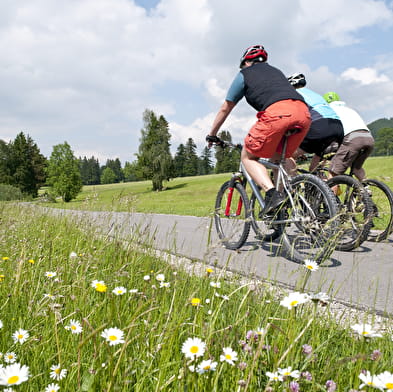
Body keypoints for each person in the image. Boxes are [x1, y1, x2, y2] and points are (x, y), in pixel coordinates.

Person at [206, 45, 311, 214]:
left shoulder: (244, 74)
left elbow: (226, 107)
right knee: (279, 159)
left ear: (246, 62)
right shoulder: (276, 72)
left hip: (278, 114)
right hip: (303, 113)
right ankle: (282, 205)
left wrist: (212, 135)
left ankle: (273, 195)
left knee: (248, 157)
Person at [287, 73, 344, 172]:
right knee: (314, 168)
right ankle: (324, 185)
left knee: (287, 156)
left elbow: (294, 118)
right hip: (338, 127)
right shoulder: (315, 94)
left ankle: (291, 186)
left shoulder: (295, 95)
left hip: (320, 125)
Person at [323, 92, 374, 181]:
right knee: (356, 168)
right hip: (368, 138)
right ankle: (365, 190)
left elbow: (330, 133)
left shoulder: (330, 111)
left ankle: (331, 195)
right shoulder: (349, 110)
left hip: (353, 138)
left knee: (334, 172)